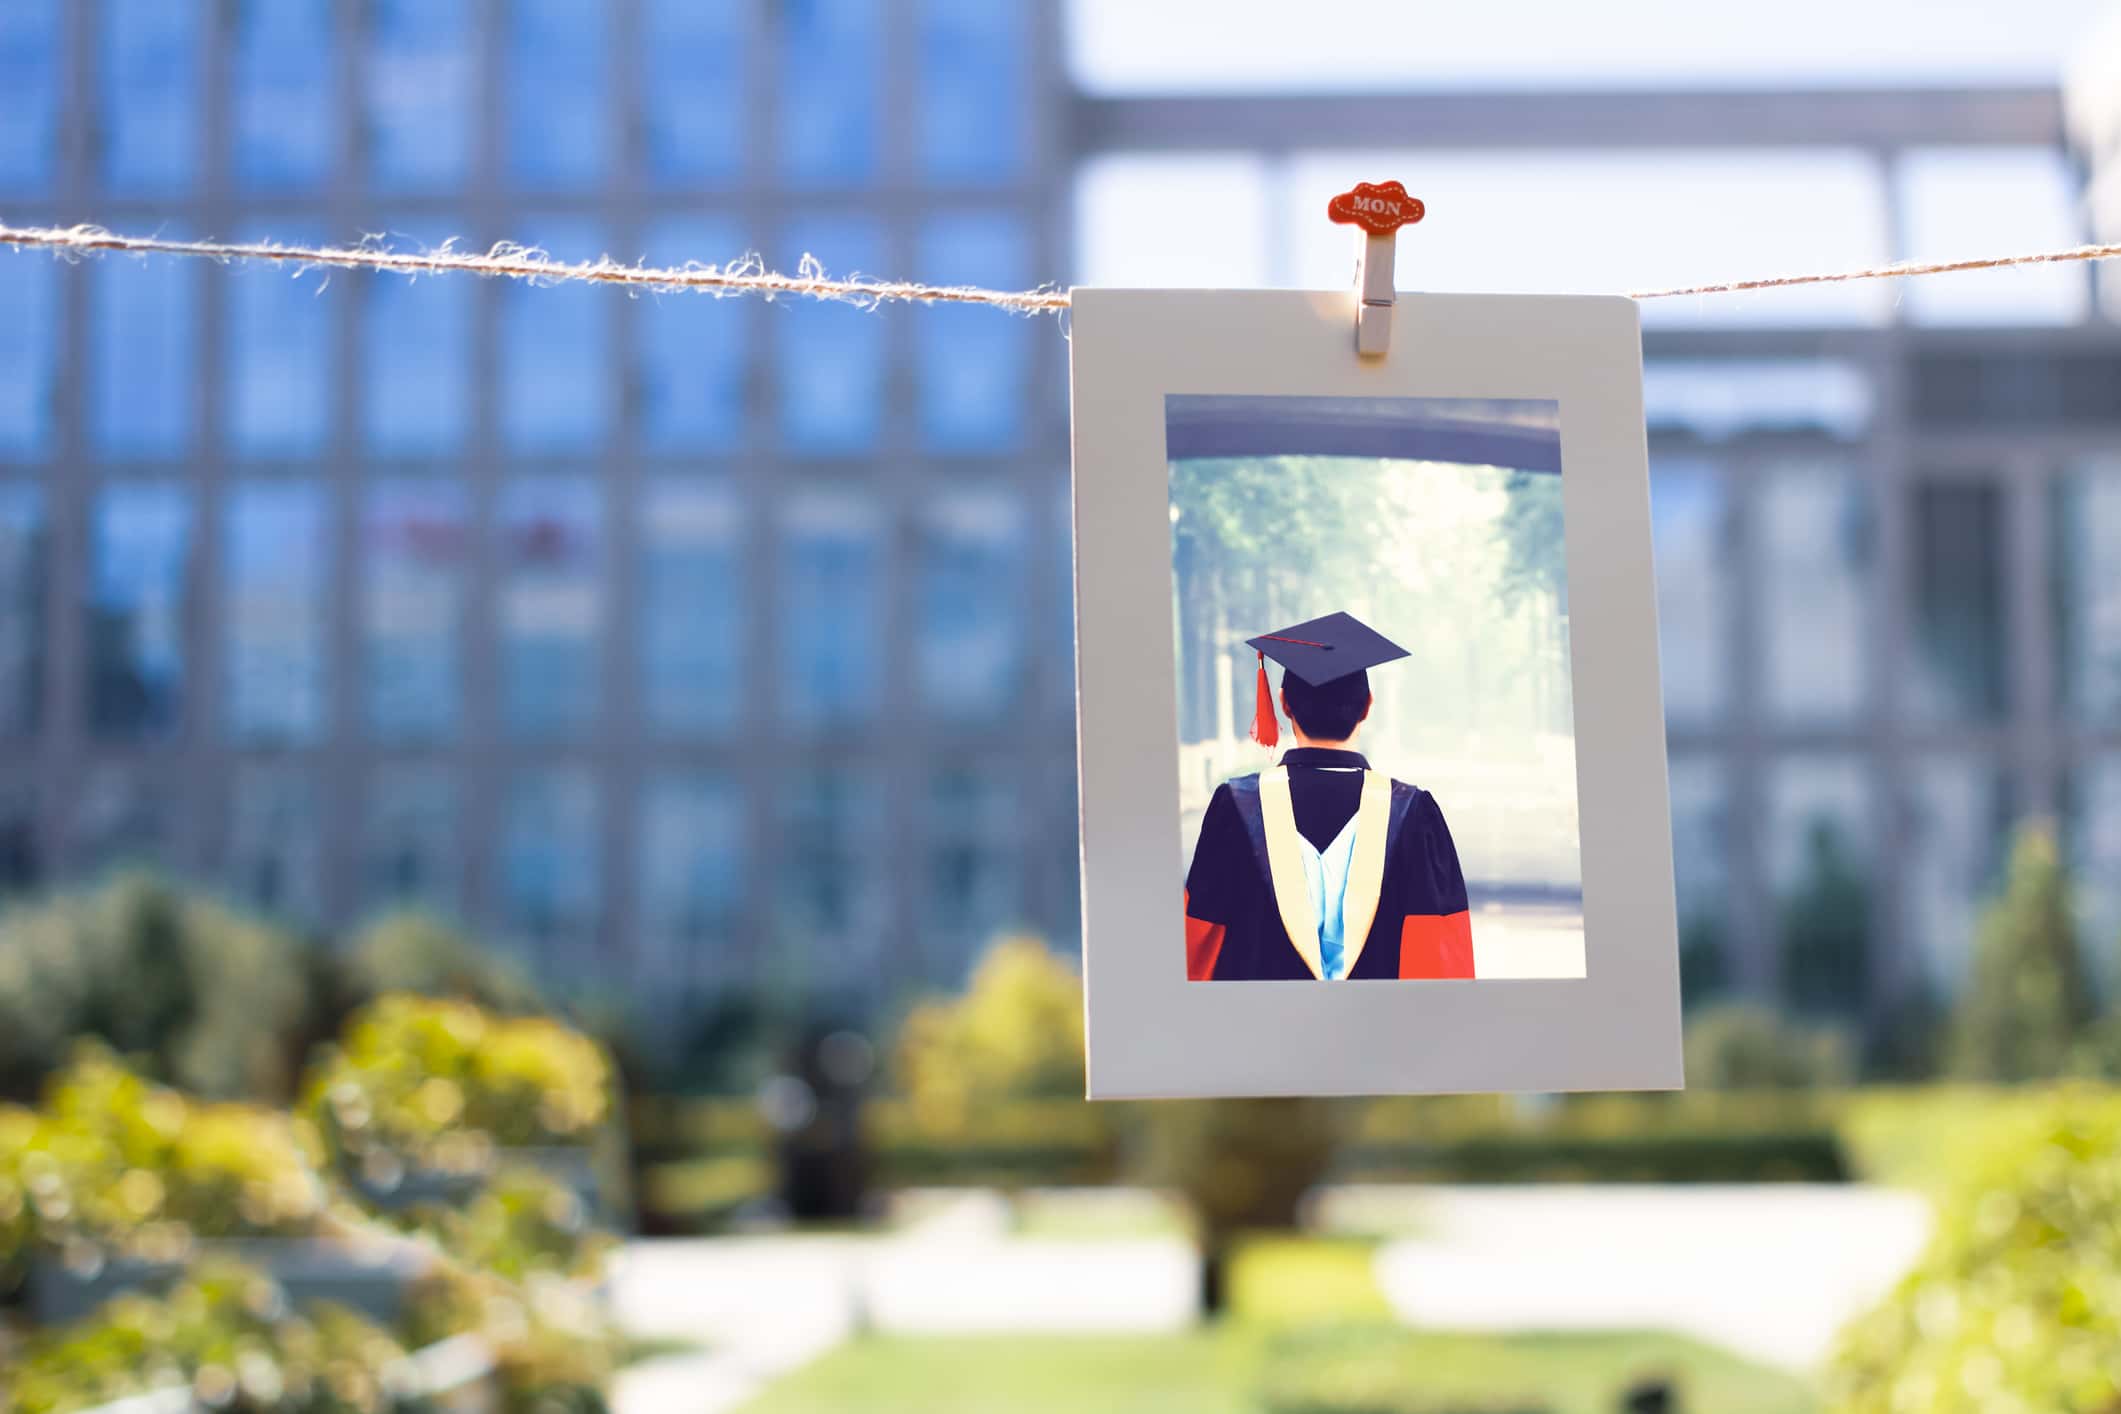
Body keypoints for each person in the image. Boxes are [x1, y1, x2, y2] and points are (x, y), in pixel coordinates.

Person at [1182, 611, 1474, 982]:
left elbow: (1200, 948)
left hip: (1258, 1034)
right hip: (1376, 1034)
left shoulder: (1237, 808)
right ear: (1367, 707)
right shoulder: (1413, 813)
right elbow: (1439, 958)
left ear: (1284, 704)